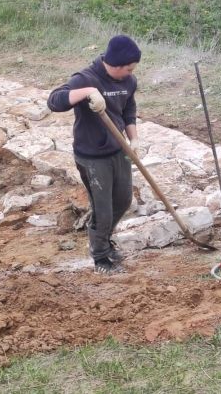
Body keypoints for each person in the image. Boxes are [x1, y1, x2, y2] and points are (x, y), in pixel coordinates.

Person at [47, 34, 142, 275]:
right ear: (117, 64)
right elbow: (54, 101)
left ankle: (104, 239)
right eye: (128, 69)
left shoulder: (128, 82)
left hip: (119, 150)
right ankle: (100, 257)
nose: (130, 73)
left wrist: (134, 140)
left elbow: (128, 110)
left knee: (123, 201)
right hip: (92, 156)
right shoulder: (85, 78)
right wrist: (88, 92)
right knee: (103, 208)